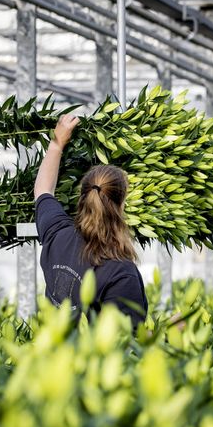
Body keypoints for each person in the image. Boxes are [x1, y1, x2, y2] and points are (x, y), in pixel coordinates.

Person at [32, 113, 147, 327]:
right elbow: (127, 341)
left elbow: (42, 191)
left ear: (81, 197)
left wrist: (57, 143)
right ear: (121, 205)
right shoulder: (120, 273)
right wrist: (168, 333)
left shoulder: (58, 235)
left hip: (50, 358)